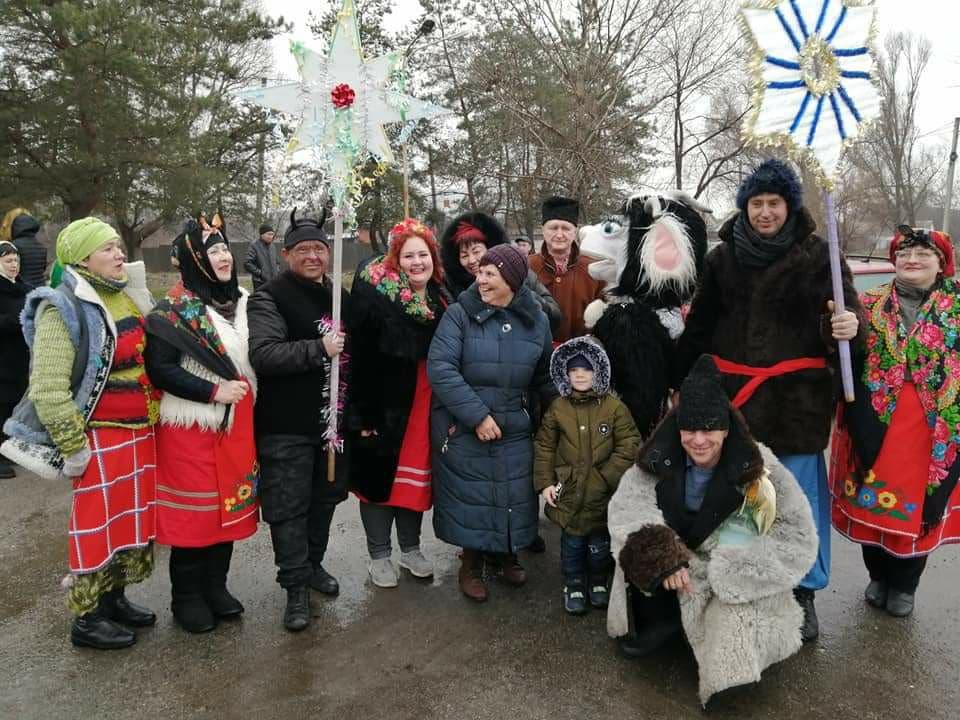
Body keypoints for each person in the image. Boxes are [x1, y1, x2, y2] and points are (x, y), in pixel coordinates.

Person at [674, 159, 862, 641]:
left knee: (798, 504)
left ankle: (804, 589)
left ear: (789, 205)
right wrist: (682, 379)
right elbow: (700, 326)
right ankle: (745, 583)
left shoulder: (820, 256)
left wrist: (844, 327)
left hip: (794, 403)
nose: (764, 212)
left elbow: (844, 321)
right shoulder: (722, 259)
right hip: (734, 400)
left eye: (772, 203)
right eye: (755, 203)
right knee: (739, 499)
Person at [609, 356, 817, 706]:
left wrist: (730, 567)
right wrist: (664, 555)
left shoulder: (760, 466)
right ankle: (661, 621)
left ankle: (730, 677)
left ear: (725, 429)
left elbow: (796, 533)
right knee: (635, 553)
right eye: (689, 430)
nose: (698, 440)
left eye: (709, 430)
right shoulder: (657, 456)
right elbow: (627, 506)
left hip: (727, 558)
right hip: (676, 555)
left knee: (732, 616)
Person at [1, 218, 159, 649]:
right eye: (108, 248)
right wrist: (74, 448)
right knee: (97, 527)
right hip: (98, 438)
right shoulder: (62, 305)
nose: (120, 254)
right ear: (82, 257)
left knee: (130, 522)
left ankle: (114, 599)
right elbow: (48, 389)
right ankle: (87, 619)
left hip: (138, 434)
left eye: (119, 247)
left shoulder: (122, 294)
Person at [829, 225, 960, 618]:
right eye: (904, 253)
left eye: (922, 253)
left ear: (941, 263)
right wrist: (841, 333)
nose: (911, 260)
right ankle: (878, 573)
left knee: (915, 508)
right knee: (872, 503)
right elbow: (840, 359)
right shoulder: (866, 304)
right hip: (873, 420)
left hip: (931, 427)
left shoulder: (956, 308)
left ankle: (905, 583)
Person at [145, 216, 259, 633]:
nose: (224, 256)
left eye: (226, 248)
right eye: (213, 251)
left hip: (237, 425)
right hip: (191, 429)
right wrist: (213, 392)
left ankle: (216, 586)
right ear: (195, 259)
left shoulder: (245, 301)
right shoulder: (173, 311)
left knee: (229, 509)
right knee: (196, 518)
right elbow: (160, 370)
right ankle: (186, 597)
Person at [428, 244, 555, 602]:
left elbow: (544, 376)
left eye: (489, 274)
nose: (480, 279)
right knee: (474, 495)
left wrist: (562, 410)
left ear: (512, 280)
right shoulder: (458, 315)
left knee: (513, 491)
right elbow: (441, 368)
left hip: (515, 425)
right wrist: (477, 415)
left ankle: (505, 555)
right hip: (465, 426)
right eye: (479, 272)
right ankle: (470, 565)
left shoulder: (537, 320)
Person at [247, 208, 350, 632]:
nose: (313, 256)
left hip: (330, 424)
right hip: (284, 424)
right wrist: (318, 348)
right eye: (303, 249)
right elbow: (265, 354)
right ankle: (294, 588)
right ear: (286, 254)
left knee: (325, 501)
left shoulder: (338, 296)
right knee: (288, 509)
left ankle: (313, 566)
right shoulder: (268, 296)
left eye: (319, 249)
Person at [348, 218, 452, 587]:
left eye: (423, 254)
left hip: (426, 404)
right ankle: (379, 555)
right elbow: (357, 360)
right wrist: (360, 415)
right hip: (384, 406)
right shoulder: (375, 299)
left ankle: (410, 549)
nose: (417, 262)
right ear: (395, 259)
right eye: (408, 255)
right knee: (379, 480)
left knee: (415, 480)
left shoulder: (442, 296)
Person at [534, 336, 639, 614]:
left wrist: (606, 476)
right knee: (572, 544)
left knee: (599, 544)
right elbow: (544, 446)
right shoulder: (558, 408)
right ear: (565, 374)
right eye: (574, 370)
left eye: (587, 369)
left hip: (603, 495)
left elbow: (629, 444)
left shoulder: (614, 408)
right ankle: (574, 581)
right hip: (569, 492)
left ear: (599, 371)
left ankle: (597, 580)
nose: (580, 375)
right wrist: (545, 483)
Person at [529, 195, 604, 342]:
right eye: (553, 228)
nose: (559, 234)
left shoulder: (595, 268)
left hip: (583, 357)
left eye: (565, 228)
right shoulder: (527, 266)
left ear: (574, 232)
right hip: (538, 352)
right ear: (543, 230)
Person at [0, 241, 30, 479]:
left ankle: (8, 446)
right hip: (2, 356)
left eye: (16, 260)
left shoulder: (23, 287)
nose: (14, 265)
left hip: (20, 355)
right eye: (8, 260)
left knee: (14, 401)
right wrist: (15, 320)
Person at [10, 212, 48, 288]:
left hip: (22, 290)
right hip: (41, 289)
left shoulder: (13, 246)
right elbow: (43, 269)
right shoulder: (41, 247)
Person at [244, 223, 281, 291]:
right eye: (268, 234)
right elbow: (247, 263)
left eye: (272, 234)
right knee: (261, 300)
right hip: (260, 282)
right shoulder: (254, 246)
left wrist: (277, 271)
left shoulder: (272, 246)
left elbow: (277, 262)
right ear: (262, 234)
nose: (271, 236)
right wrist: (261, 274)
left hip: (273, 281)